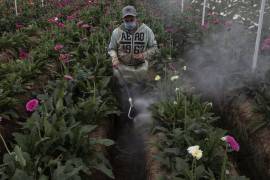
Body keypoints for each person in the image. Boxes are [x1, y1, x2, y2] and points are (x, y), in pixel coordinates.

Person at [108, 5, 159, 85]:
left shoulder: (146, 30)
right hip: (123, 67)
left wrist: (143, 55)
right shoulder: (117, 32)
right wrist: (114, 58)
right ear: (123, 19)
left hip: (141, 67)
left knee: (141, 87)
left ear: (136, 18)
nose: (129, 22)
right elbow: (111, 48)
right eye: (126, 20)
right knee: (122, 88)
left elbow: (154, 47)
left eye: (131, 19)